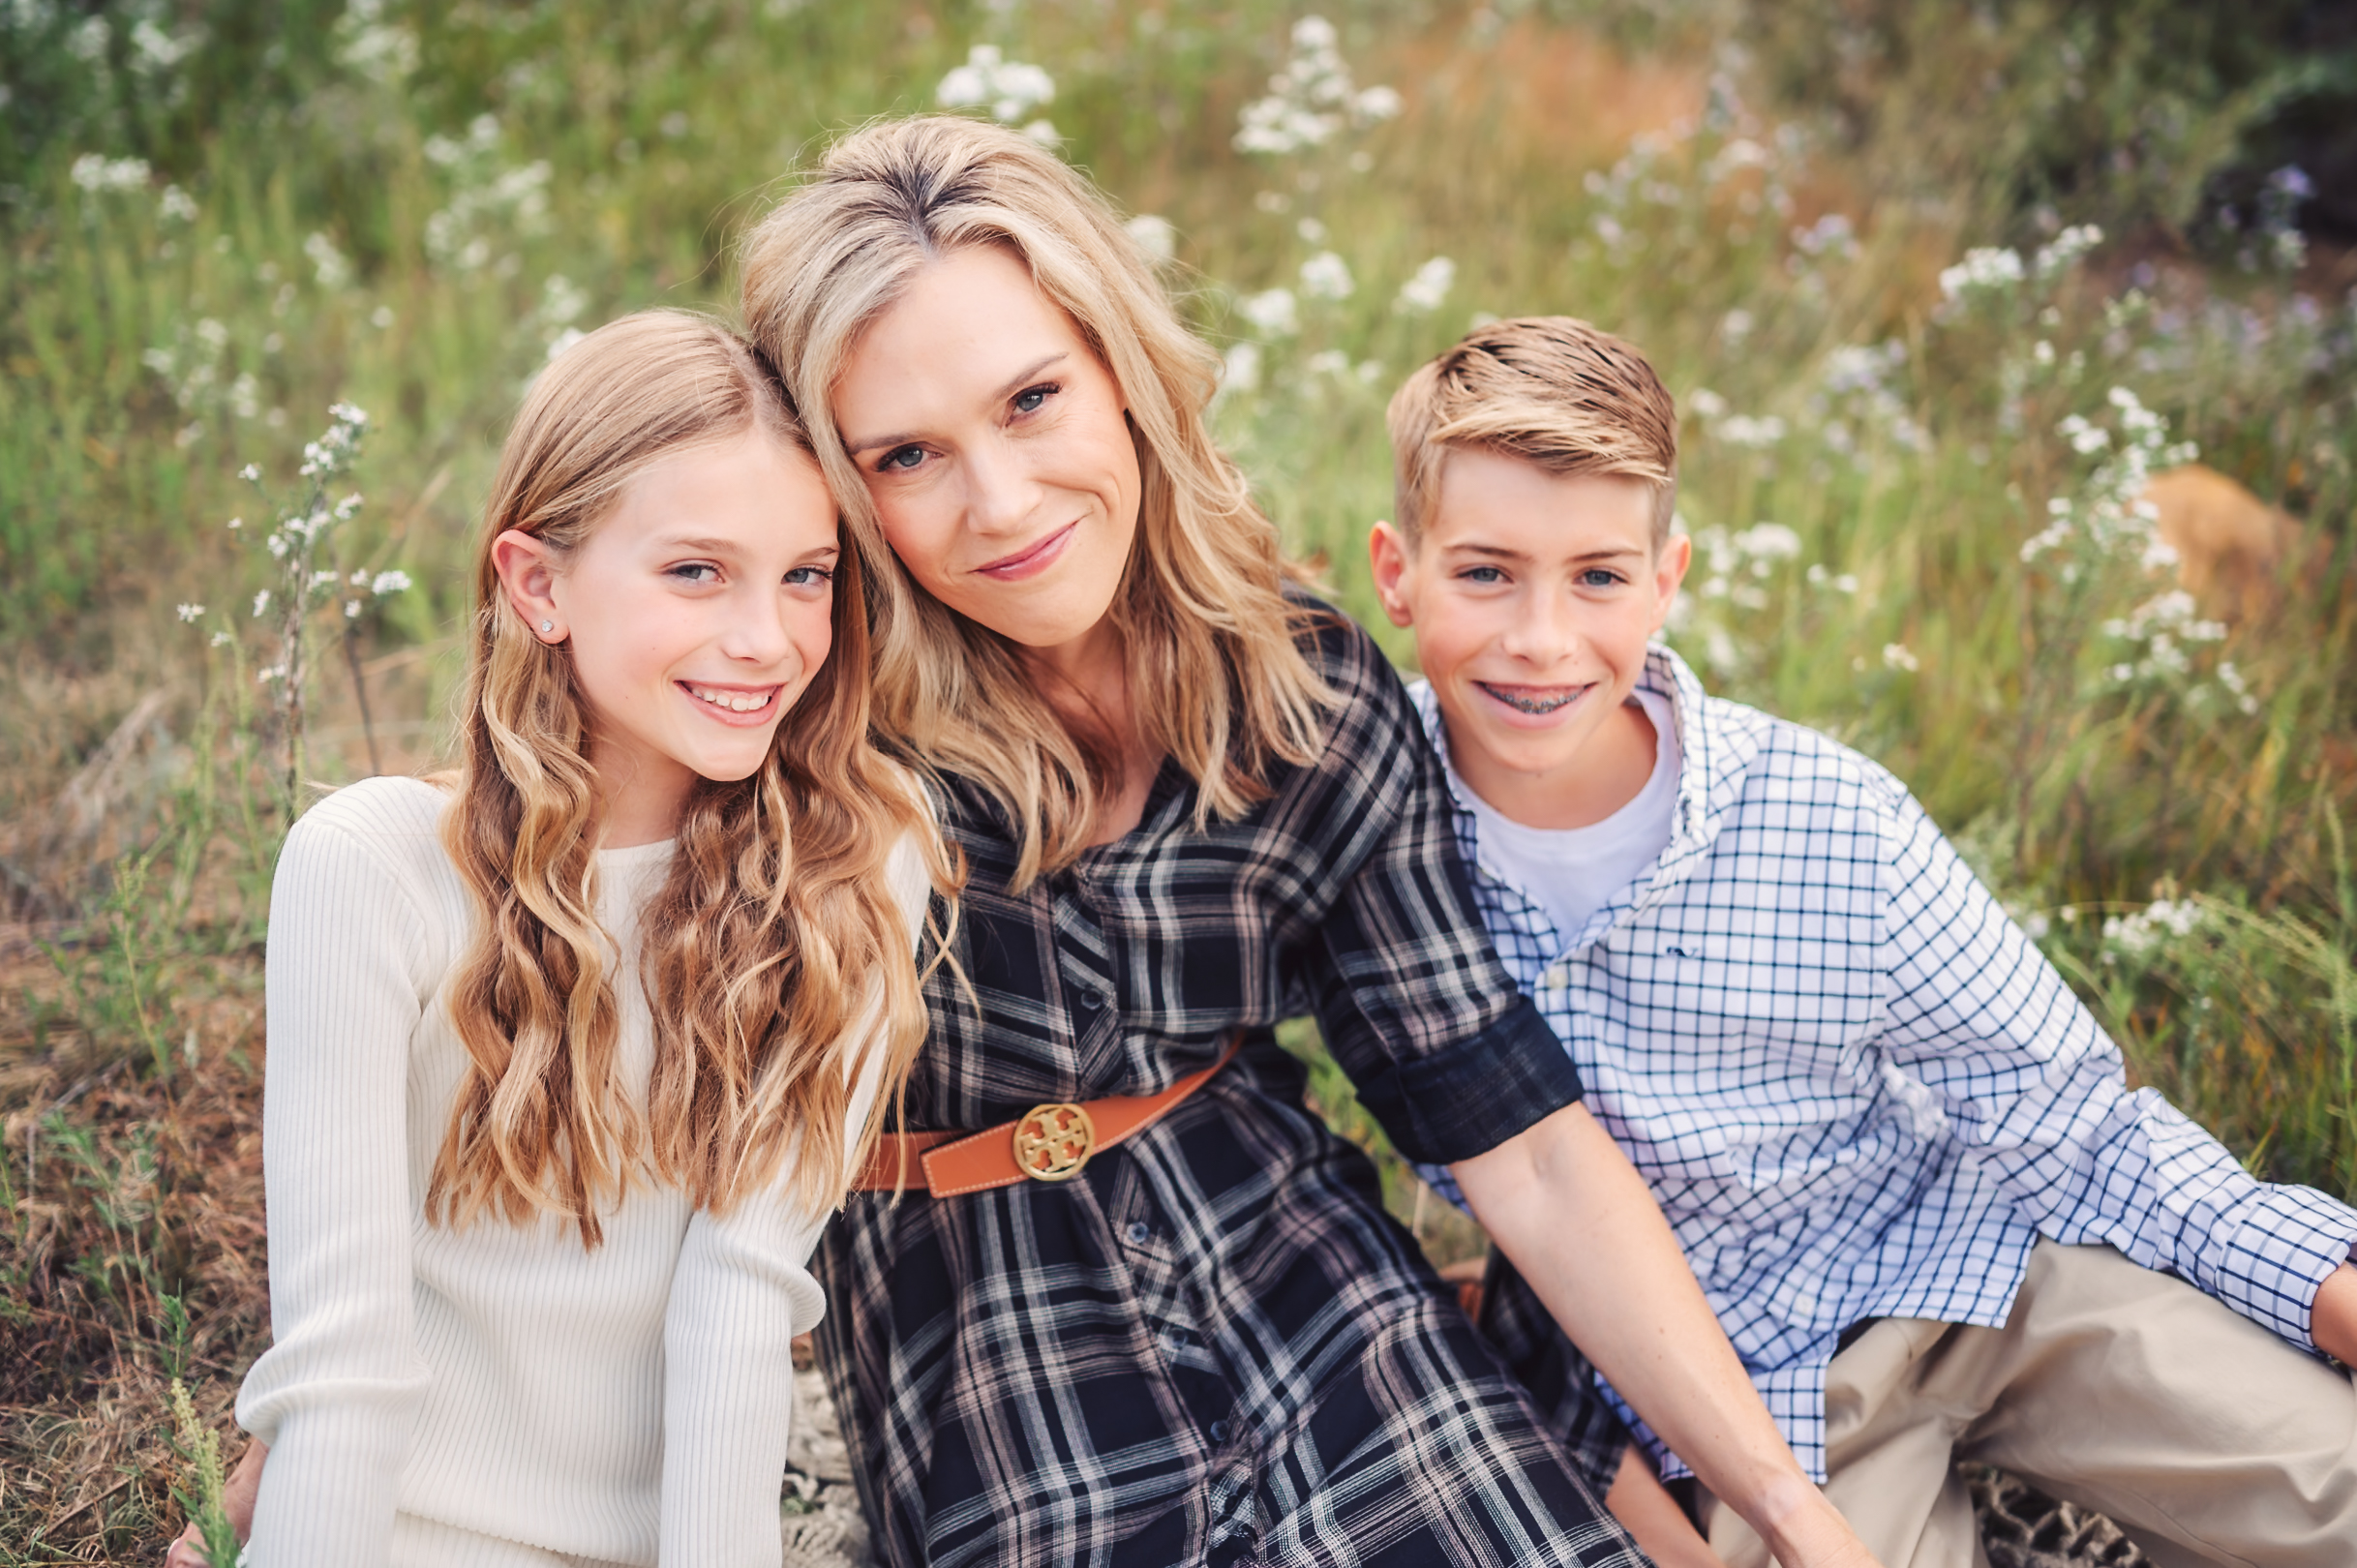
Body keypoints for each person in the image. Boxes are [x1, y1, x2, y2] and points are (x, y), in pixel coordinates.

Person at [739, 115, 1875, 1568]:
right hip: (989, 1323)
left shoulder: (1303, 690)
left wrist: (1785, 1507)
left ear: (1125, 370)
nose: (1002, 504)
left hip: (1288, 1244)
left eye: (1031, 400)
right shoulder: (809, 727)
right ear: (841, 484)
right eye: (907, 454)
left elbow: (1514, 1141)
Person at [1366, 314, 2357, 1568]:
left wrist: (2329, 1291)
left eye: (1599, 577)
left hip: (1993, 1271)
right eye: (1486, 572)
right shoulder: (1365, 838)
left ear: (1667, 580)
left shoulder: (1829, 819)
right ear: (1399, 571)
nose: (1542, 639)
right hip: (1741, 1394)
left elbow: (2081, 1127)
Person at [168, 310, 947, 1568]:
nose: (767, 638)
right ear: (537, 584)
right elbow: (346, 1363)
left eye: (806, 574)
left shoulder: (859, 866)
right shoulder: (371, 872)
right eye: (696, 571)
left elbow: (738, 1306)